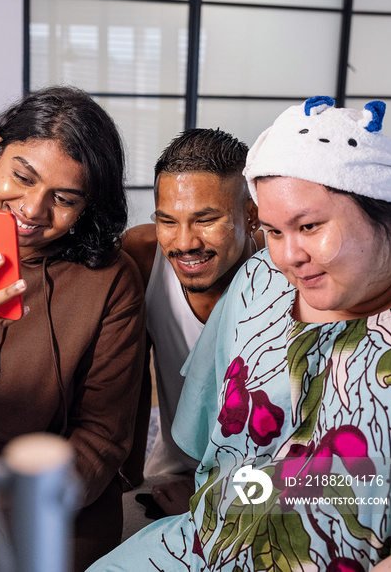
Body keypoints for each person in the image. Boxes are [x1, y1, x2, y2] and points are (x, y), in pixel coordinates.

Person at [87, 96, 391, 572]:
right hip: (209, 537)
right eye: (276, 232)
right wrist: (224, 501)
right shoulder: (258, 280)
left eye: (310, 226)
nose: (288, 256)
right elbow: (221, 450)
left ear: (388, 209)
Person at [0, 86, 145, 572]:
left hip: (58, 500)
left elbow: (102, 434)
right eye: (22, 177)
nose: (32, 209)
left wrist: (18, 501)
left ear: (89, 202)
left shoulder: (111, 280)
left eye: (64, 198)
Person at [120, 128, 263, 516]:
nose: (183, 242)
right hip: (174, 464)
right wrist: (129, 479)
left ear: (251, 215)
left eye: (205, 220)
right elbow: (128, 380)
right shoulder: (143, 255)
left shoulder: (283, 270)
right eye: (168, 220)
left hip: (265, 475)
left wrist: (217, 495)